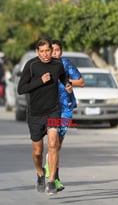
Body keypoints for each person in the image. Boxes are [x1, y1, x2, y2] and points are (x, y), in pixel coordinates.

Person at [17, 38, 72, 195]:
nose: (46, 54)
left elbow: (62, 76)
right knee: (37, 152)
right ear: (37, 52)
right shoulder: (31, 66)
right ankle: (40, 173)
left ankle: (51, 180)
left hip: (53, 110)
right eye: (42, 51)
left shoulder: (57, 64)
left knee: (53, 144)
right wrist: (40, 81)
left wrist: (66, 83)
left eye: (48, 50)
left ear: (51, 49)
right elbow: (21, 89)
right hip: (35, 114)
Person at [44, 39, 85, 191]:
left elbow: (81, 82)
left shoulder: (66, 64)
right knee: (53, 143)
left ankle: (51, 169)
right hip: (50, 107)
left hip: (66, 107)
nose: (55, 53)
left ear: (61, 51)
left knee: (58, 144)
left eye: (57, 50)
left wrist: (68, 83)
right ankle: (53, 177)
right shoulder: (44, 66)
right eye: (52, 50)